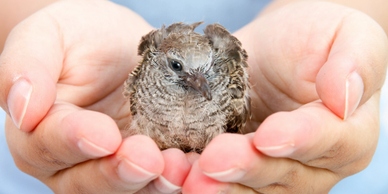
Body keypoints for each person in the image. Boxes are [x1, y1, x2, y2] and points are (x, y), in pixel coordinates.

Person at [0, 0, 387, 193]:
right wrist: (43, 19)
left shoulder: (224, 84)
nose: (198, 82)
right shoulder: (142, 78)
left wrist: (345, 14)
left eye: (205, 72)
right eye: (179, 70)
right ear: (162, 62)